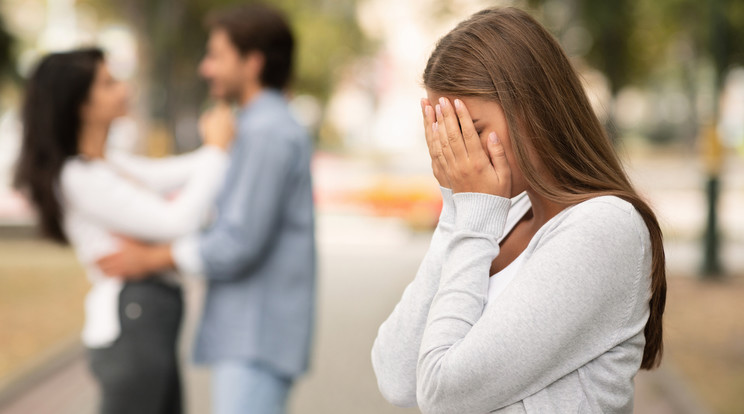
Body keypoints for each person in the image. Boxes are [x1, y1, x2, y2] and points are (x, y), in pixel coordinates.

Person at [371, 7, 667, 414]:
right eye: (445, 134)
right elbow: (396, 377)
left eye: (470, 131)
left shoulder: (606, 227)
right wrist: (458, 210)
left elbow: (445, 395)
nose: (459, 152)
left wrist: (473, 215)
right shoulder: (500, 215)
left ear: (531, 108)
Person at [96, 4, 316, 414]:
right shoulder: (254, 128)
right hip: (251, 335)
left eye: (216, 55)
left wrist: (151, 258)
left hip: (256, 337)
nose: (205, 68)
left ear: (252, 63)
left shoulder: (267, 134)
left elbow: (238, 242)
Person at [14, 48, 234, 414]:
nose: (123, 89)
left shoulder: (106, 164)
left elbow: (178, 173)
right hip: (134, 320)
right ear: (80, 104)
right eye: (108, 84)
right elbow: (176, 221)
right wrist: (217, 149)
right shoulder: (78, 177)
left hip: (148, 321)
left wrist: (217, 145)